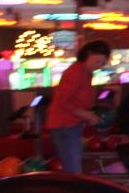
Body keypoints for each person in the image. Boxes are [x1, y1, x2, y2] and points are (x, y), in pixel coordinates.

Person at [44, 40, 111, 173]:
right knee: (73, 169)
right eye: (97, 61)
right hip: (65, 126)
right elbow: (61, 101)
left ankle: (72, 191)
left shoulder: (85, 72)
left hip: (70, 125)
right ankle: (72, 192)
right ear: (87, 54)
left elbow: (77, 100)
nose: (99, 66)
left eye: (102, 63)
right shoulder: (77, 72)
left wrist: (91, 110)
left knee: (72, 167)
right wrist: (86, 114)